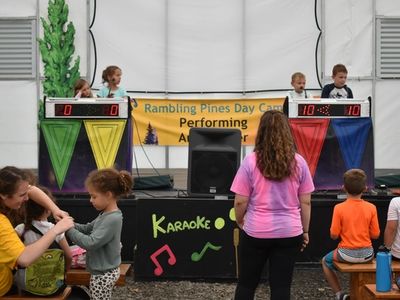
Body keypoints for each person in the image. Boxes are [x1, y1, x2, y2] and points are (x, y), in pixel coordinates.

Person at [231, 110, 314, 300]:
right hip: (289, 232)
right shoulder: (299, 162)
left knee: (246, 284)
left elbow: (240, 200)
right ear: (287, 132)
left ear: (261, 131)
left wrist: (240, 220)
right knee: (281, 287)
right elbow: (306, 201)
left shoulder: (250, 161)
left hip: (256, 231)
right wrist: (305, 230)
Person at [0, 166, 74, 297]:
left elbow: (31, 189)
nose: (27, 198)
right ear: (4, 195)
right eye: (22, 195)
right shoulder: (1, 224)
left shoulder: (16, 223)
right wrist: (56, 230)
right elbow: (24, 258)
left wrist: (55, 209)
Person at [67, 168, 133, 300]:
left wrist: (68, 230)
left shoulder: (112, 218)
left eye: (94, 196)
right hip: (102, 272)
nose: (91, 200)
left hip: (103, 274)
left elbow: (91, 243)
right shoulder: (105, 214)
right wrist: (69, 223)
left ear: (108, 195)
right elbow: (87, 228)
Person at [322, 169, 380, 300]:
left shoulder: (339, 208)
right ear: (365, 188)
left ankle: (339, 294)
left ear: (343, 188)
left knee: (325, 261)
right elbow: (375, 235)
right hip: (368, 255)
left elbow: (334, 235)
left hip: (345, 254)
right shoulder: (372, 208)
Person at [14, 186, 72, 270]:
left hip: (23, 280)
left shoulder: (20, 229)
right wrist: (65, 271)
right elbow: (69, 256)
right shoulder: (57, 229)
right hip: (51, 279)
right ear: (48, 209)